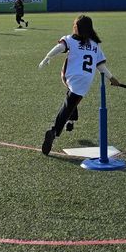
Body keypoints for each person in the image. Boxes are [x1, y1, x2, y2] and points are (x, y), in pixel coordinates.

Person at [37, 14, 119, 155]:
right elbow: (101, 67)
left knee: (70, 102)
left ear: (77, 28)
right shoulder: (95, 45)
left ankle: (61, 127)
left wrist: (47, 58)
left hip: (70, 76)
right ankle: (62, 126)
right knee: (71, 101)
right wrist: (112, 78)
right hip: (85, 79)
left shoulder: (70, 39)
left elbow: (59, 47)